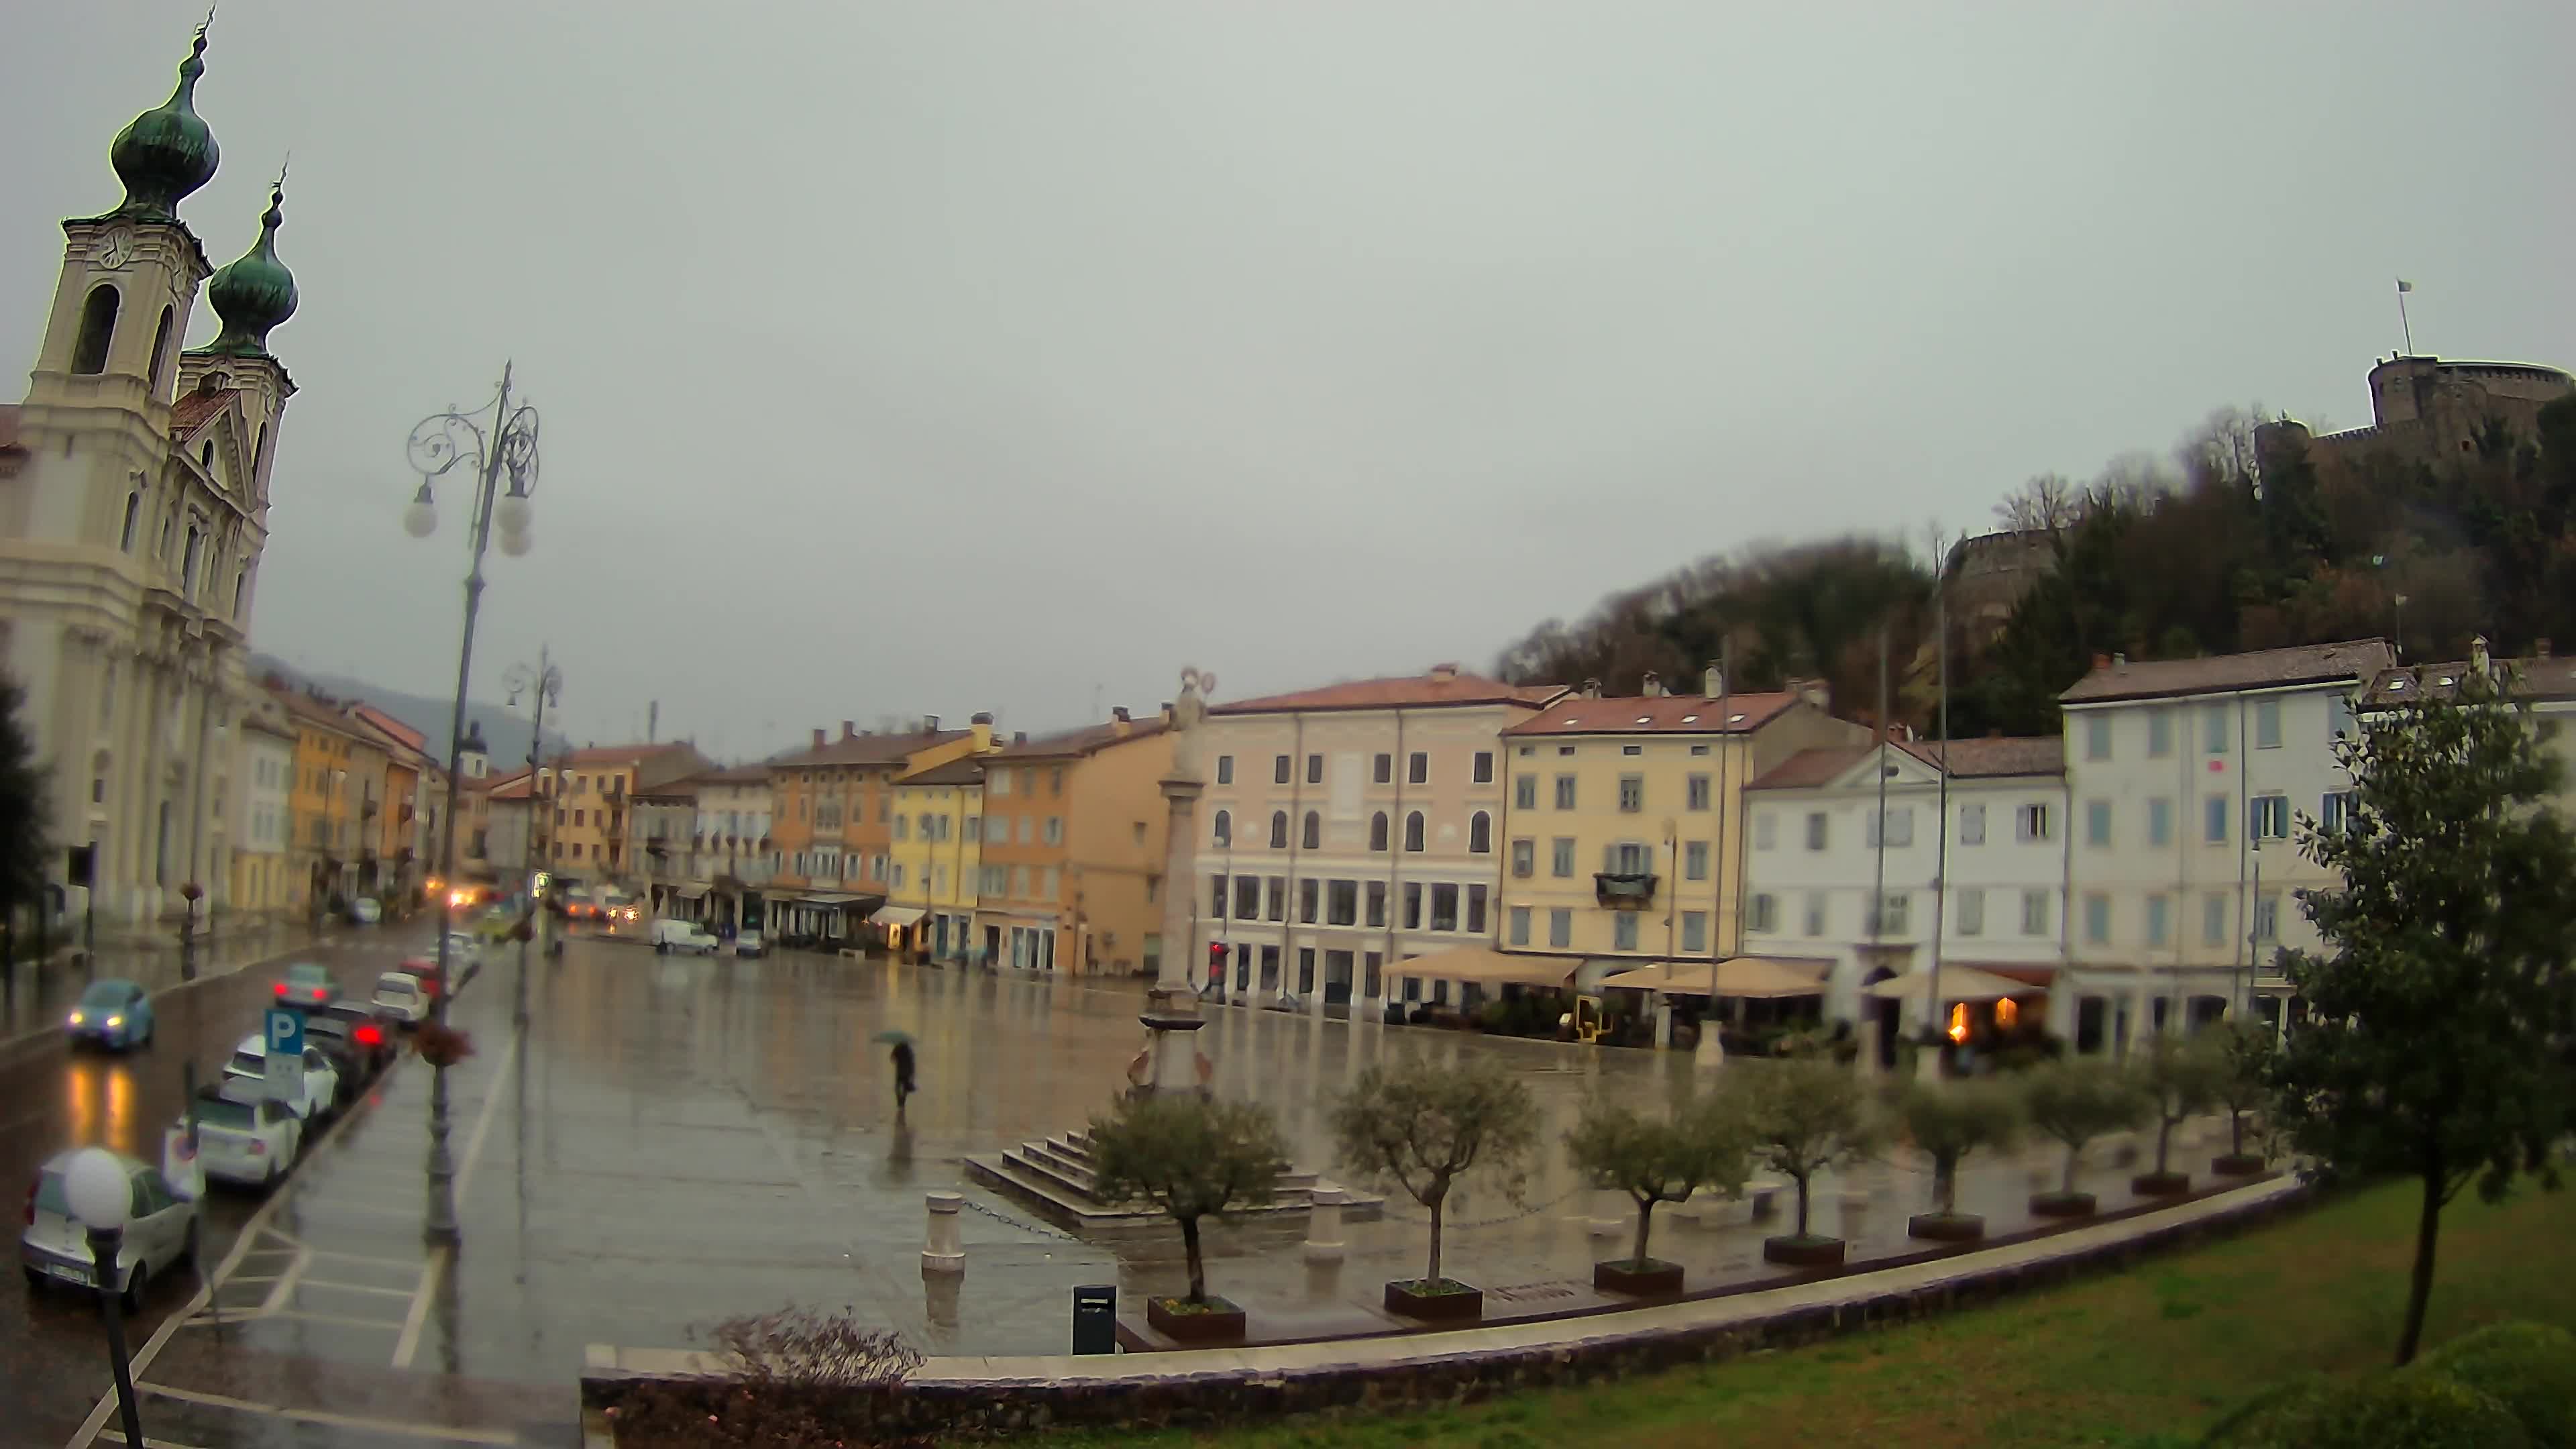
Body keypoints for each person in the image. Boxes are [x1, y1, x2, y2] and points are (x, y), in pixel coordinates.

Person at [890, 1040, 917, 1118]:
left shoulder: (897, 1048)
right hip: (907, 1073)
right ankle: (902, 1103)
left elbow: (892, 1058)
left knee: (898, 1087)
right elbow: (912, 1063)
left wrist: (897, 1060)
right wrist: (912, 1074)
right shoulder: (909, 1050)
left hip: (899, 1072)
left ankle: (899, 1102)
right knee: (905, 1088)